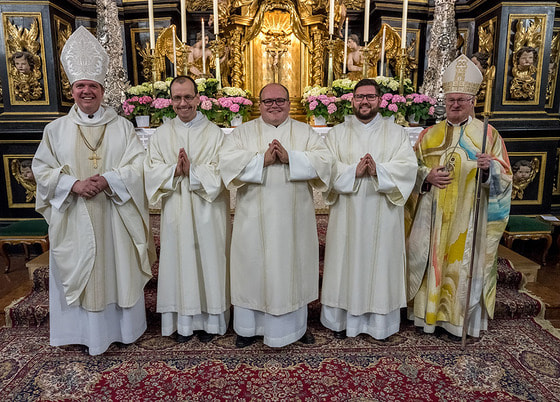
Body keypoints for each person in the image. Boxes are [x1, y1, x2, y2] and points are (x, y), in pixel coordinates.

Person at [32, 26, 155, 355]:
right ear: (72, 89)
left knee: (117, 269)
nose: (86, 91)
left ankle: (124, 331)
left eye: (93, 86)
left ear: (102, 90)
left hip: (114, 216)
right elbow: (41, 169)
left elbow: (138, 165)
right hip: (74, 215)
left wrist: (108, 180)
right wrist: (73, 184)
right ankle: (83, 333)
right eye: (80, 85)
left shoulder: (122, 127)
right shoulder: (55, 130)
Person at [406, 54, 512, 341]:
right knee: (432, 263)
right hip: (433, 216)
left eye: (461, 100)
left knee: (465, 265)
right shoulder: (428, 134)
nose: (454, 104)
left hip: (469, 219)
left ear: (472, 102)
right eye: (451, 99)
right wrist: (425, 177)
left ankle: (458, 322)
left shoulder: (488, 134)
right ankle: (427, 318)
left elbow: (506, 178)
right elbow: (410, 169)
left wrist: (491, 170)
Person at [219, 83, 332, 348]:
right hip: (252, 222)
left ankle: (296, 327)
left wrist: (291, 158)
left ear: (289, 103)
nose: (274, 105)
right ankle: (248, 328)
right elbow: (227, 163)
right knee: (252, 268)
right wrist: (263, 161)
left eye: (280, 100)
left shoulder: (305, 132)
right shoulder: (243, 133)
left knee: (293, 267)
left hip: (295, 222)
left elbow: (326, 162)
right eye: (268, 101)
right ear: (259, 105)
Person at [320, 79, 417, 341]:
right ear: (351, 100)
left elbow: (408, 168)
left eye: (370, 97)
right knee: (344, 259)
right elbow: (327, 169)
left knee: (381, 262)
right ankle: (341, 320)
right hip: (346, 212)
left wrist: (379, 171)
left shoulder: (396, 133)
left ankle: (379, 324)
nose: (364, 101)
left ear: (380, 100)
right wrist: (353, 170)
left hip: (383, 213)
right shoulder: (336, 133)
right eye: (359, 97)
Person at [144, 75, 231, 343]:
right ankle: (181, 323)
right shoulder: (161, 134)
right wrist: (173, 170)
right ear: (170, 101)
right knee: (178, 262)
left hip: (208, 212)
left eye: (188, 97)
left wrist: (193, 172)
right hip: (176, 212)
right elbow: (149, 170)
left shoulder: (215, 133)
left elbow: (224, 170)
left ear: (198, 98)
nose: (183, 103)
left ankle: (211, 321)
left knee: (210, 261)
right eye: (177, 98)